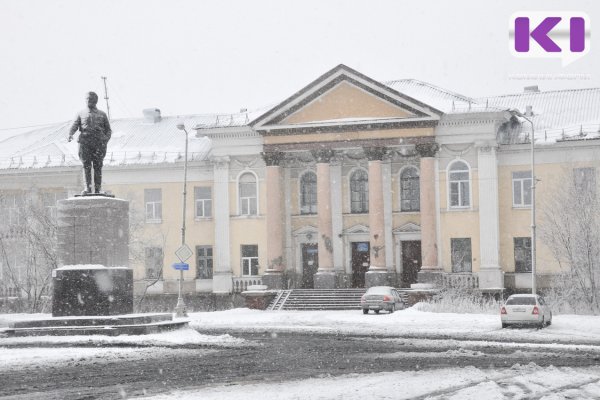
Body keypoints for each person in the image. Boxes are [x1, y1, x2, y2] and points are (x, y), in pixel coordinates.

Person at [68, 92, 112, 195]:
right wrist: (70, 134)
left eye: (90, 99)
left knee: (97, 166)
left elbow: (108, 130)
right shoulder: (81, 113)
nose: (88, 101)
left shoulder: (102, 114)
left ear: (95, 101)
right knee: (86, 166)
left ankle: (97, 189)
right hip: (85, 143)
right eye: (87, 99)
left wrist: (105, 140)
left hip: (98, 144)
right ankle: (87, 188)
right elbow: (74, 125)